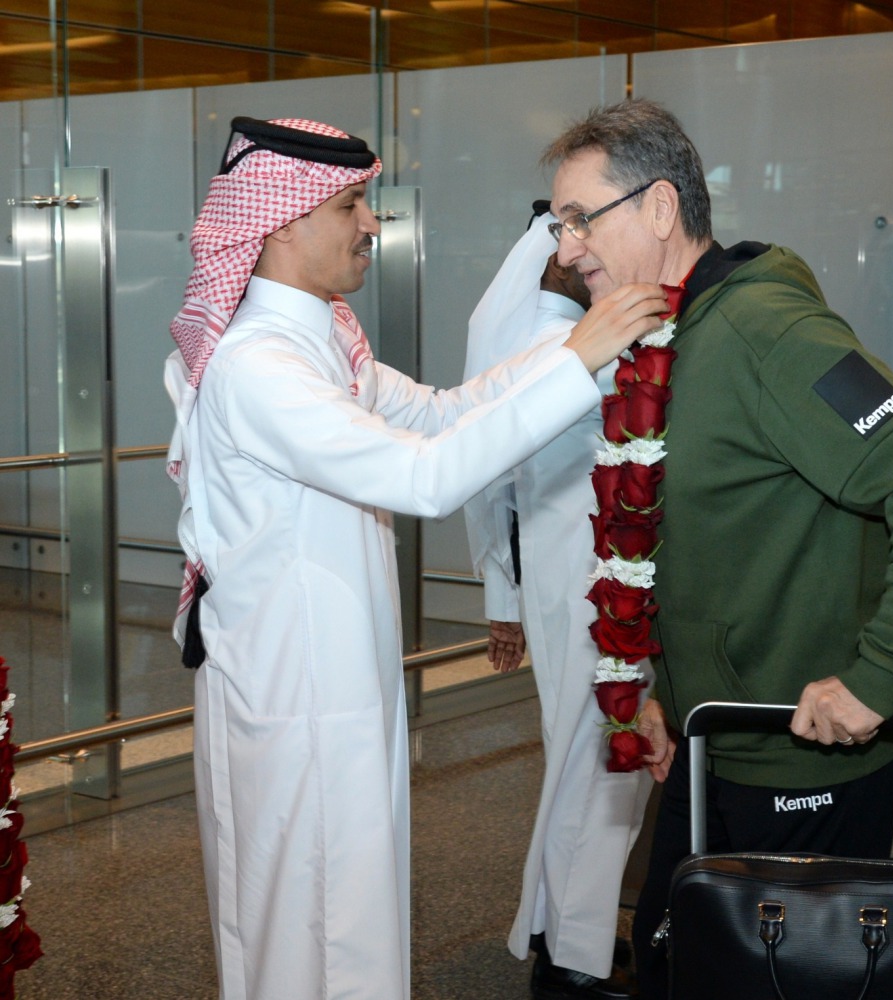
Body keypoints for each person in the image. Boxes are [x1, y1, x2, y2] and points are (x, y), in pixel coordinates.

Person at [162, 116, 668, 1000]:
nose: (371, 223)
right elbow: (424, 475)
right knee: (297, 930)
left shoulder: (321, 339)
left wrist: (578, 352)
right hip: (290, 697)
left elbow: (440, 411)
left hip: (341, 688)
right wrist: (579, 356)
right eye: (353, 203)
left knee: (350, 917)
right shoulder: (258, 364)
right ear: (283, 221)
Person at [540, 98, 893, 999]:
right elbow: (691, 533)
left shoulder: (767, 332)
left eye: (579, 219)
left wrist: (880, 673)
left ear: (660, 209)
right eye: (560, 226)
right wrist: (655, 692)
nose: (564, 249)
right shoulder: (664, 337)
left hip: (801, 752)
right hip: (719, 740)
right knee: (684, 959)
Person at [463, 209, 652, 1000]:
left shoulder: (558, 336)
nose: (590, 253)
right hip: (586, 581)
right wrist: (500, 597)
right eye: (575, 242)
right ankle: (573, 956)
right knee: (603, 759)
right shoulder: (561, 349)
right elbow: (485, 481)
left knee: (582, 756)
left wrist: (501, 596)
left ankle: (556, 927)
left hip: (570, 577)